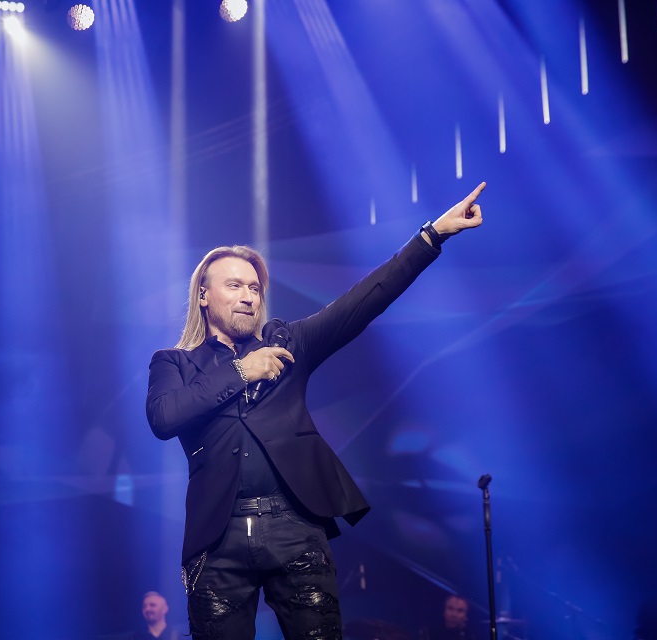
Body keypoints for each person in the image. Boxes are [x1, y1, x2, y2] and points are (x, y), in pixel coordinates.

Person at [145, 183, 486, 639]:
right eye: (235, 285)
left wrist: (432, 235)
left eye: (254, 288)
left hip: (294, 528)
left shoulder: (288, 344)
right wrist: (243, 371)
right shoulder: (174, 363)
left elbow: (363, 300)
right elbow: (164, 418)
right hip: (217, 540)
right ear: (204, 296)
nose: (248, 296)